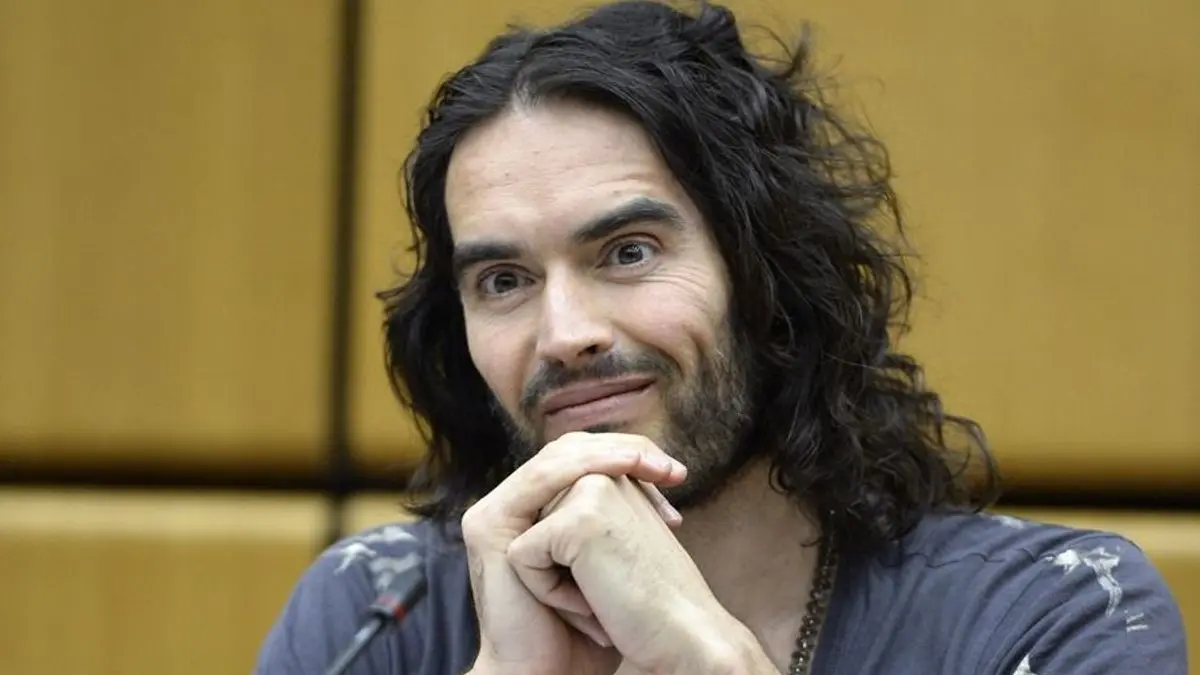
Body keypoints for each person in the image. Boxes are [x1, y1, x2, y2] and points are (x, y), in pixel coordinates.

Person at [255, 2, 1187, 673]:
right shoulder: (377, 615)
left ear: (766, 272)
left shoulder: (1049, 613)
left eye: (627, 252)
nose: (565, 334)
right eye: (504, 280)